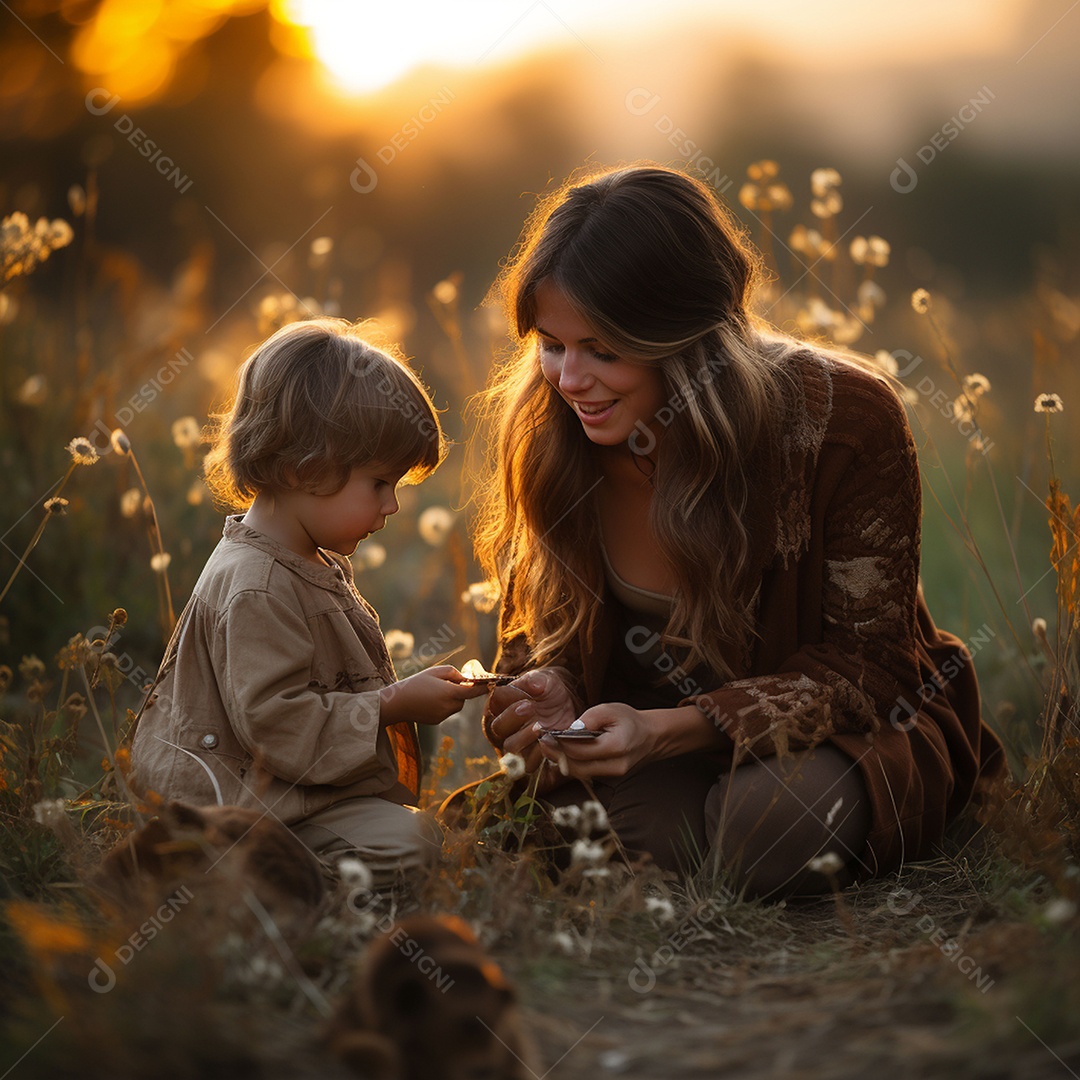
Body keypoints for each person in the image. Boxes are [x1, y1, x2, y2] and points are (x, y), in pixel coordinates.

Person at [470, 164, 1007, 897]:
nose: (568, 379)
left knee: (766, 824)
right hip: (644, 744)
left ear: (688, 337)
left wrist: (674, 728)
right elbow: (534, 633)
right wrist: (549, 692)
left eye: (604, 349)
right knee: (640, 842)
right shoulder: (550, 431)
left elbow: (870, 669)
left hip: (831, 736)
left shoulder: (841, 422)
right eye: (553, 344)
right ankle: (684, 848)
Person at [128, 318, 488, 884]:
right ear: (307, 468)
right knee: (416, 845)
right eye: (379, 483)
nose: (392, 505)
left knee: (423, 835)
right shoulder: (258, 585)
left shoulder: (306, 561)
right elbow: (277, 728)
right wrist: (392, 705)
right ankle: (233, 872)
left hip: (298, 798)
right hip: (248, 807)